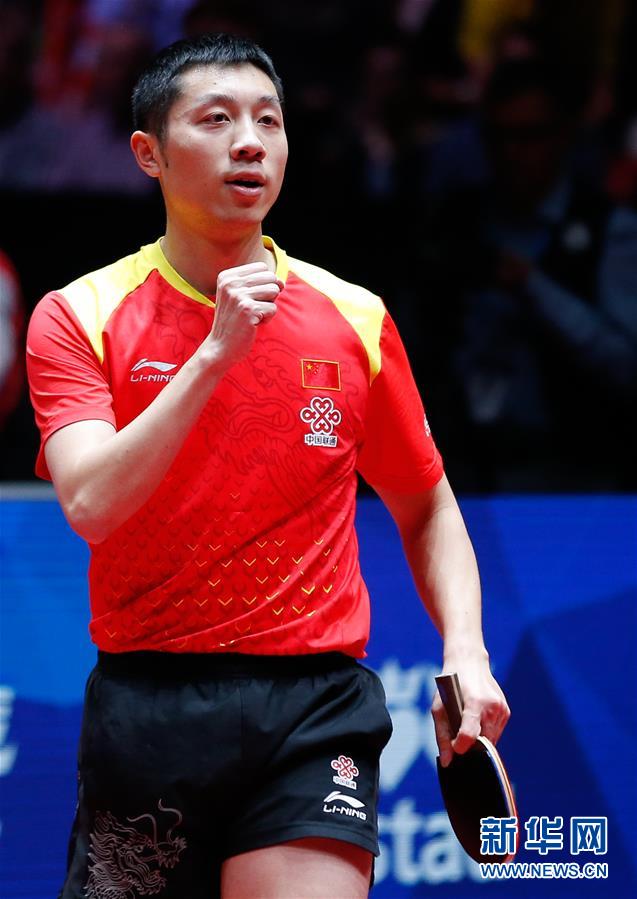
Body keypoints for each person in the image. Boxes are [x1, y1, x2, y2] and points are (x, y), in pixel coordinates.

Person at [26, 34, 509, 899]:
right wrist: (214, 354)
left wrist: (465, 650)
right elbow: (91, 500)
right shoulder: (80, 315)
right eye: (216, 120)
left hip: (314, 706)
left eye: (268, 121)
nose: (249, 142)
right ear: (149, 153)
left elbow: (424, 502)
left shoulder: (353, 318)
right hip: (150, 703)